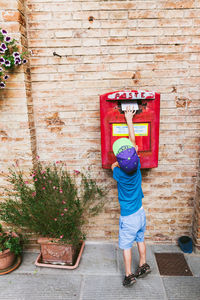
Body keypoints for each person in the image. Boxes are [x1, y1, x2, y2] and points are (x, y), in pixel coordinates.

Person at [111, 107, 151, 287]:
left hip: (128, 217)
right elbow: (134, 143)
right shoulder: (137, 167)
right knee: (141, 239)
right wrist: (130, 120)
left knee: (126, 246)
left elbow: (113, 165)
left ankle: (128, 274)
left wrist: (116, 161)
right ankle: (143, 265)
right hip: (140, 213)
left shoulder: (118, 173)